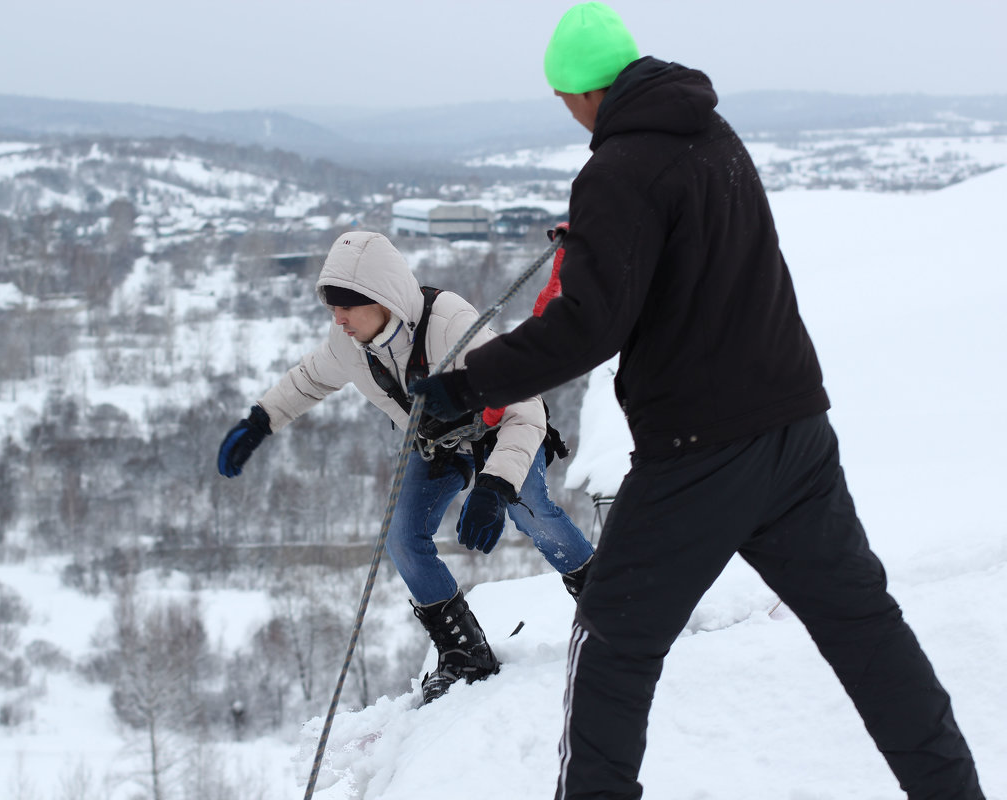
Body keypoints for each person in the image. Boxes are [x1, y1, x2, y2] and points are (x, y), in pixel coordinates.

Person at [409, 4, 985, 798]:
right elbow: (692, 265)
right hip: (797, 431)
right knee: (867, 633)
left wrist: (463, 389)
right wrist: (600, 247)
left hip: (699, 452)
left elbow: (586, 329)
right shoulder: (714, 137)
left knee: (611, 641)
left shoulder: (615, 171)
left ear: (578, 94)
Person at [216, 230, 595, 704]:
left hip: (502, 426)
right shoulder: (347, 344)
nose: (338, 318)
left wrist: (494, 487)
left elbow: (524, 408)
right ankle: (465, 653)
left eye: (347, 306)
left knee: (529, 509)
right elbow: (309, 380)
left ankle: (603, 600)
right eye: (332, 307)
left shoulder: (451, 327)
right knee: (403, 539)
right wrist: (259, 422)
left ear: (382, 298)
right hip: (438, 442)